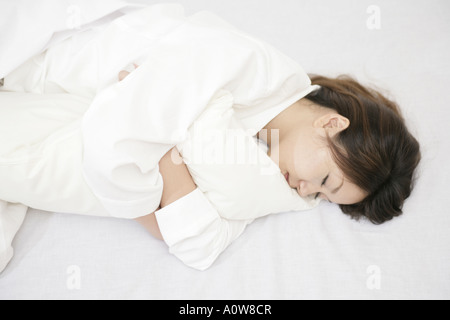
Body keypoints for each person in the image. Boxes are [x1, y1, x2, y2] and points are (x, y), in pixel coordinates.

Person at [0, 4, 420, 270]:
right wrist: (161, 199)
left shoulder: (273, 163)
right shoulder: (252, 68)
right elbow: (112, 150)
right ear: (331, 125)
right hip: (50, 59)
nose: (307, 191)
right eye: (326, 181)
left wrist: (167, 158)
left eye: (323, 197)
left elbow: (200, 247)